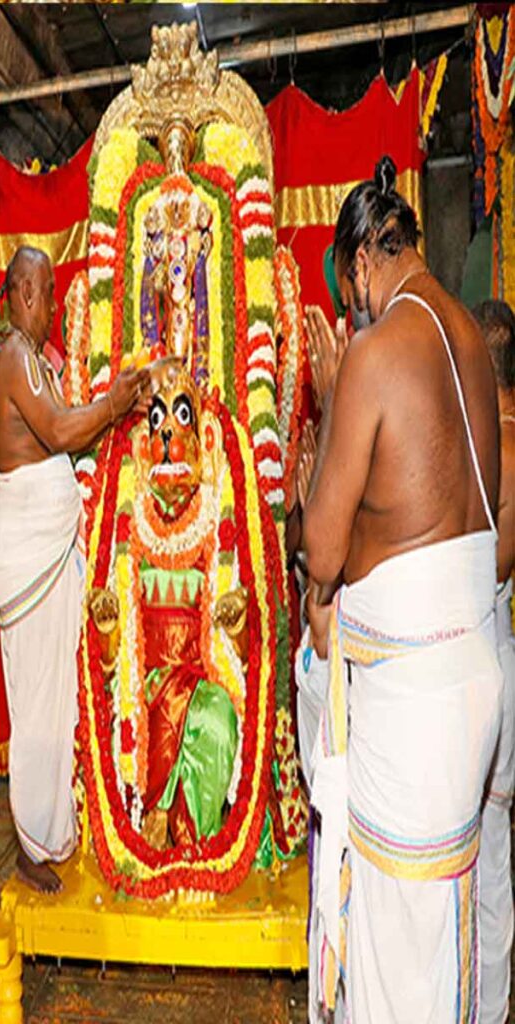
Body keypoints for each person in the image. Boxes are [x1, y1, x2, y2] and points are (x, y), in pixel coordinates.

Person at [302, 158, 502, 1023]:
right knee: (441, 925)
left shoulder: (378, 351)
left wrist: (325, 400)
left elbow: (321, 548)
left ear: (359, 264)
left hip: (411, 706)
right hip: (475, 679)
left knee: (390, 944)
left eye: (351, 288)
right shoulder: (470, 337)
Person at [0, 246, 149, 892]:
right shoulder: (10, 358)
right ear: (20, 294)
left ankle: (50, 826)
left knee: (56, 704)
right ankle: (30, 843)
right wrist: (112, 405)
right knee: (35, 706)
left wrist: (117, 407)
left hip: (46, 550)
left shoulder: (37, 362)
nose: (53, 306)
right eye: (46, 294)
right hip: (29, 553)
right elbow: (56, 431)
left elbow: (61, 430)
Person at [473, 299, 515, 1024]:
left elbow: (491, 566)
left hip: (487, 655)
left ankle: (490, 1003)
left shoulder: (502, 445)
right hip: (485, 653)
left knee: (489, 859)